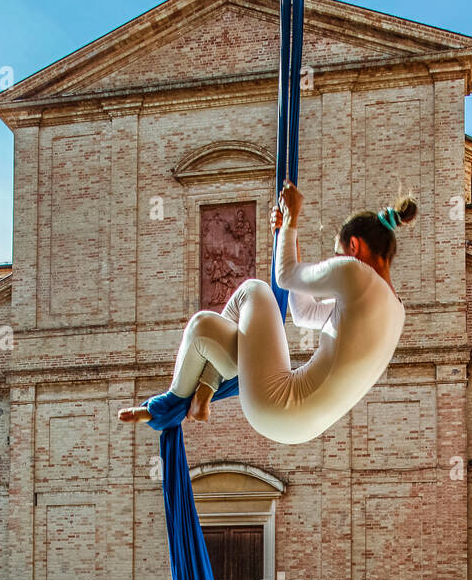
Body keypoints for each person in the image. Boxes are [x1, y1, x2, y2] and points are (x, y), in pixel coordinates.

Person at [119, 184, 413, 441]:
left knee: (254, 290)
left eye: (338, 253)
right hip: (296, 426)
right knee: (204, 329)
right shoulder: (396, 311)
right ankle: (203, 392)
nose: (338, 261)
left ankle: (179, 399)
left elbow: (285, 277)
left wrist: (292, 221)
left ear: (354, 246)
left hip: (279, 402)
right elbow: (304, 313)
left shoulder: (355, 272)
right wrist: (290, 239)